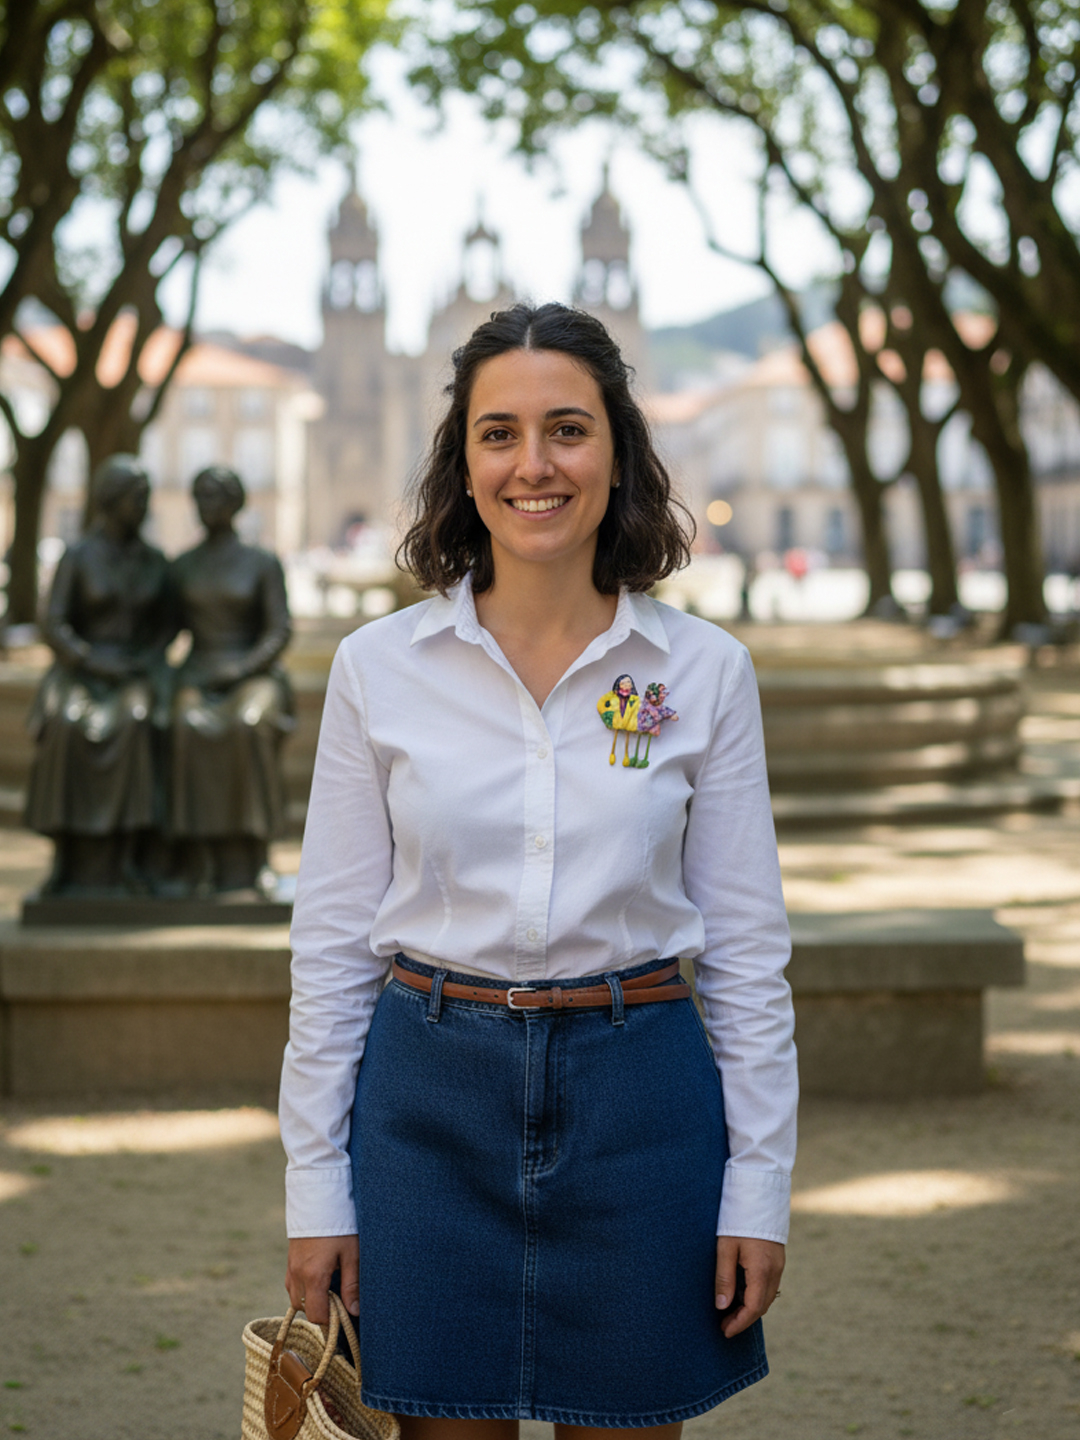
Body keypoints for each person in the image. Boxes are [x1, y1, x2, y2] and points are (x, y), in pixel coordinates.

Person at [280, 303, 797, 1440]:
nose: (534, 464)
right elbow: (329, 946)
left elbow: (751, 951)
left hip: (640, 1101)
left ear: (618, 451)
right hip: (428, 1106)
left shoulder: (703, 673)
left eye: (568, 429)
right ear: (462, 465)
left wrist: (757, 1185)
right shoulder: (380, 670)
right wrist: (315, 1185)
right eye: (498, 433)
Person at [25, 454, 170, 893]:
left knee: (136, 722)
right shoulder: (78, 556)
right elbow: (53, 623)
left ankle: (127, 857)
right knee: (65, 725)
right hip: (82, 670)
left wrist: (144, 659)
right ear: (111, 501)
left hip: (132, 671)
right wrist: (88, 660)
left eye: (146, 498)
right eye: (135, 498)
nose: (143, 506)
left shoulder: (154, 561)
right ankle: (66, 859)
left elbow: (167, 626)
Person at [168, 465, 293, 894]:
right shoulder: (183, 566)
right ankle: (198, 856)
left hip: (252, 673)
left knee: (250, 724)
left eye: (217, 497)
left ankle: (254, 854)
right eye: (201, 497)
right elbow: (161, 631)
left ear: (236, 504)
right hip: (200, 670)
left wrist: (240, 669)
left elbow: (279, 630)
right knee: (184, 723)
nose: (208, 506)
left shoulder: (261, 563)